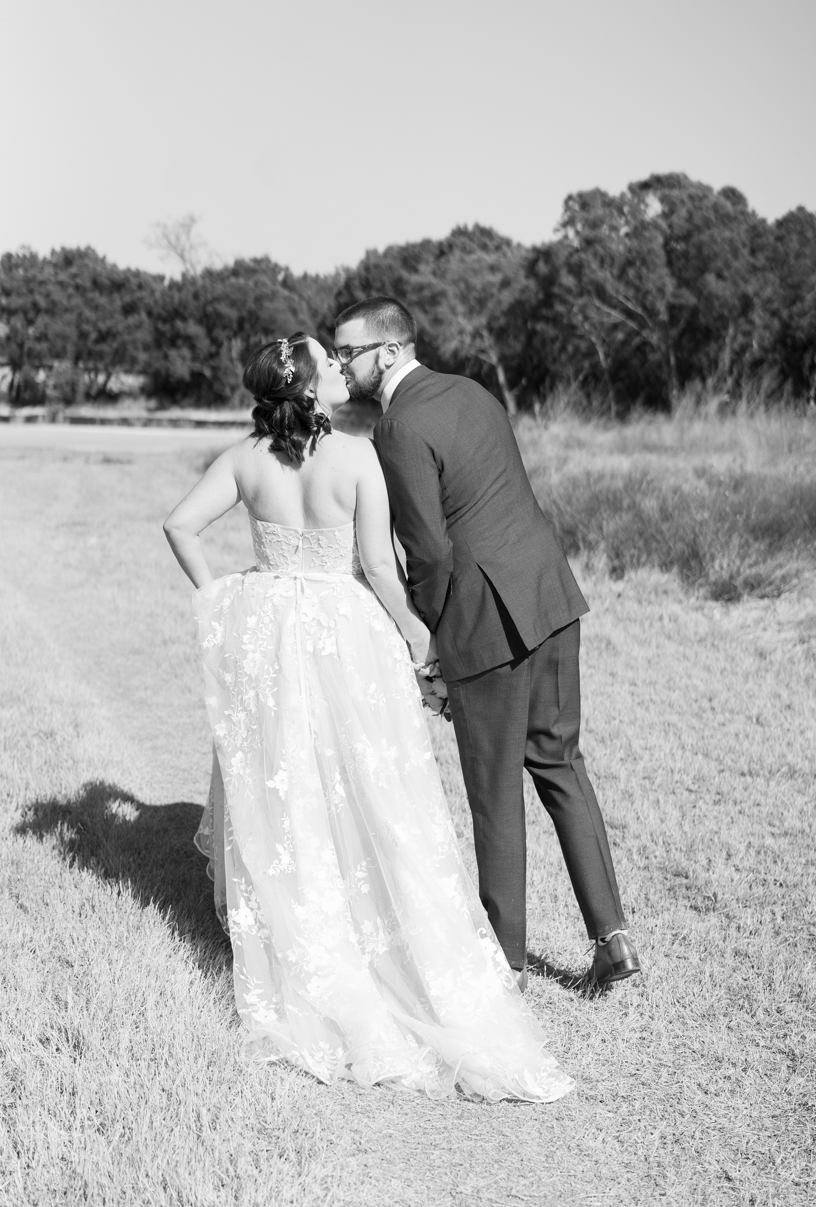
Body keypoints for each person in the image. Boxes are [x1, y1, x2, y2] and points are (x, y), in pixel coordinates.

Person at [163, 332, 573, 1102]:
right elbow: (382, 568)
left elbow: (179, 527)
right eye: (328, 361)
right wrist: (420, 639)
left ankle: (307, 952)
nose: (336, 368)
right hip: (342, 633)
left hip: (272, 632)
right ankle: (386, 938)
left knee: (288, 784)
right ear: (316, 386)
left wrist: (219, 594)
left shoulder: (244, 459)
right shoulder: (355, 457)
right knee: (370, 786)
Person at [333, 297, 641, 991]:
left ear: (388, 350)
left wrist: (430, 638)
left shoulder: (399, 426)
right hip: (549, 593)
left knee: (495, 791)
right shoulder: (472, 390)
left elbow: (430, 552)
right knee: (561, 765)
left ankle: (504, 964)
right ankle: (614, 940)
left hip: (484, 617)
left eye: (347, 351)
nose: (339, 363)